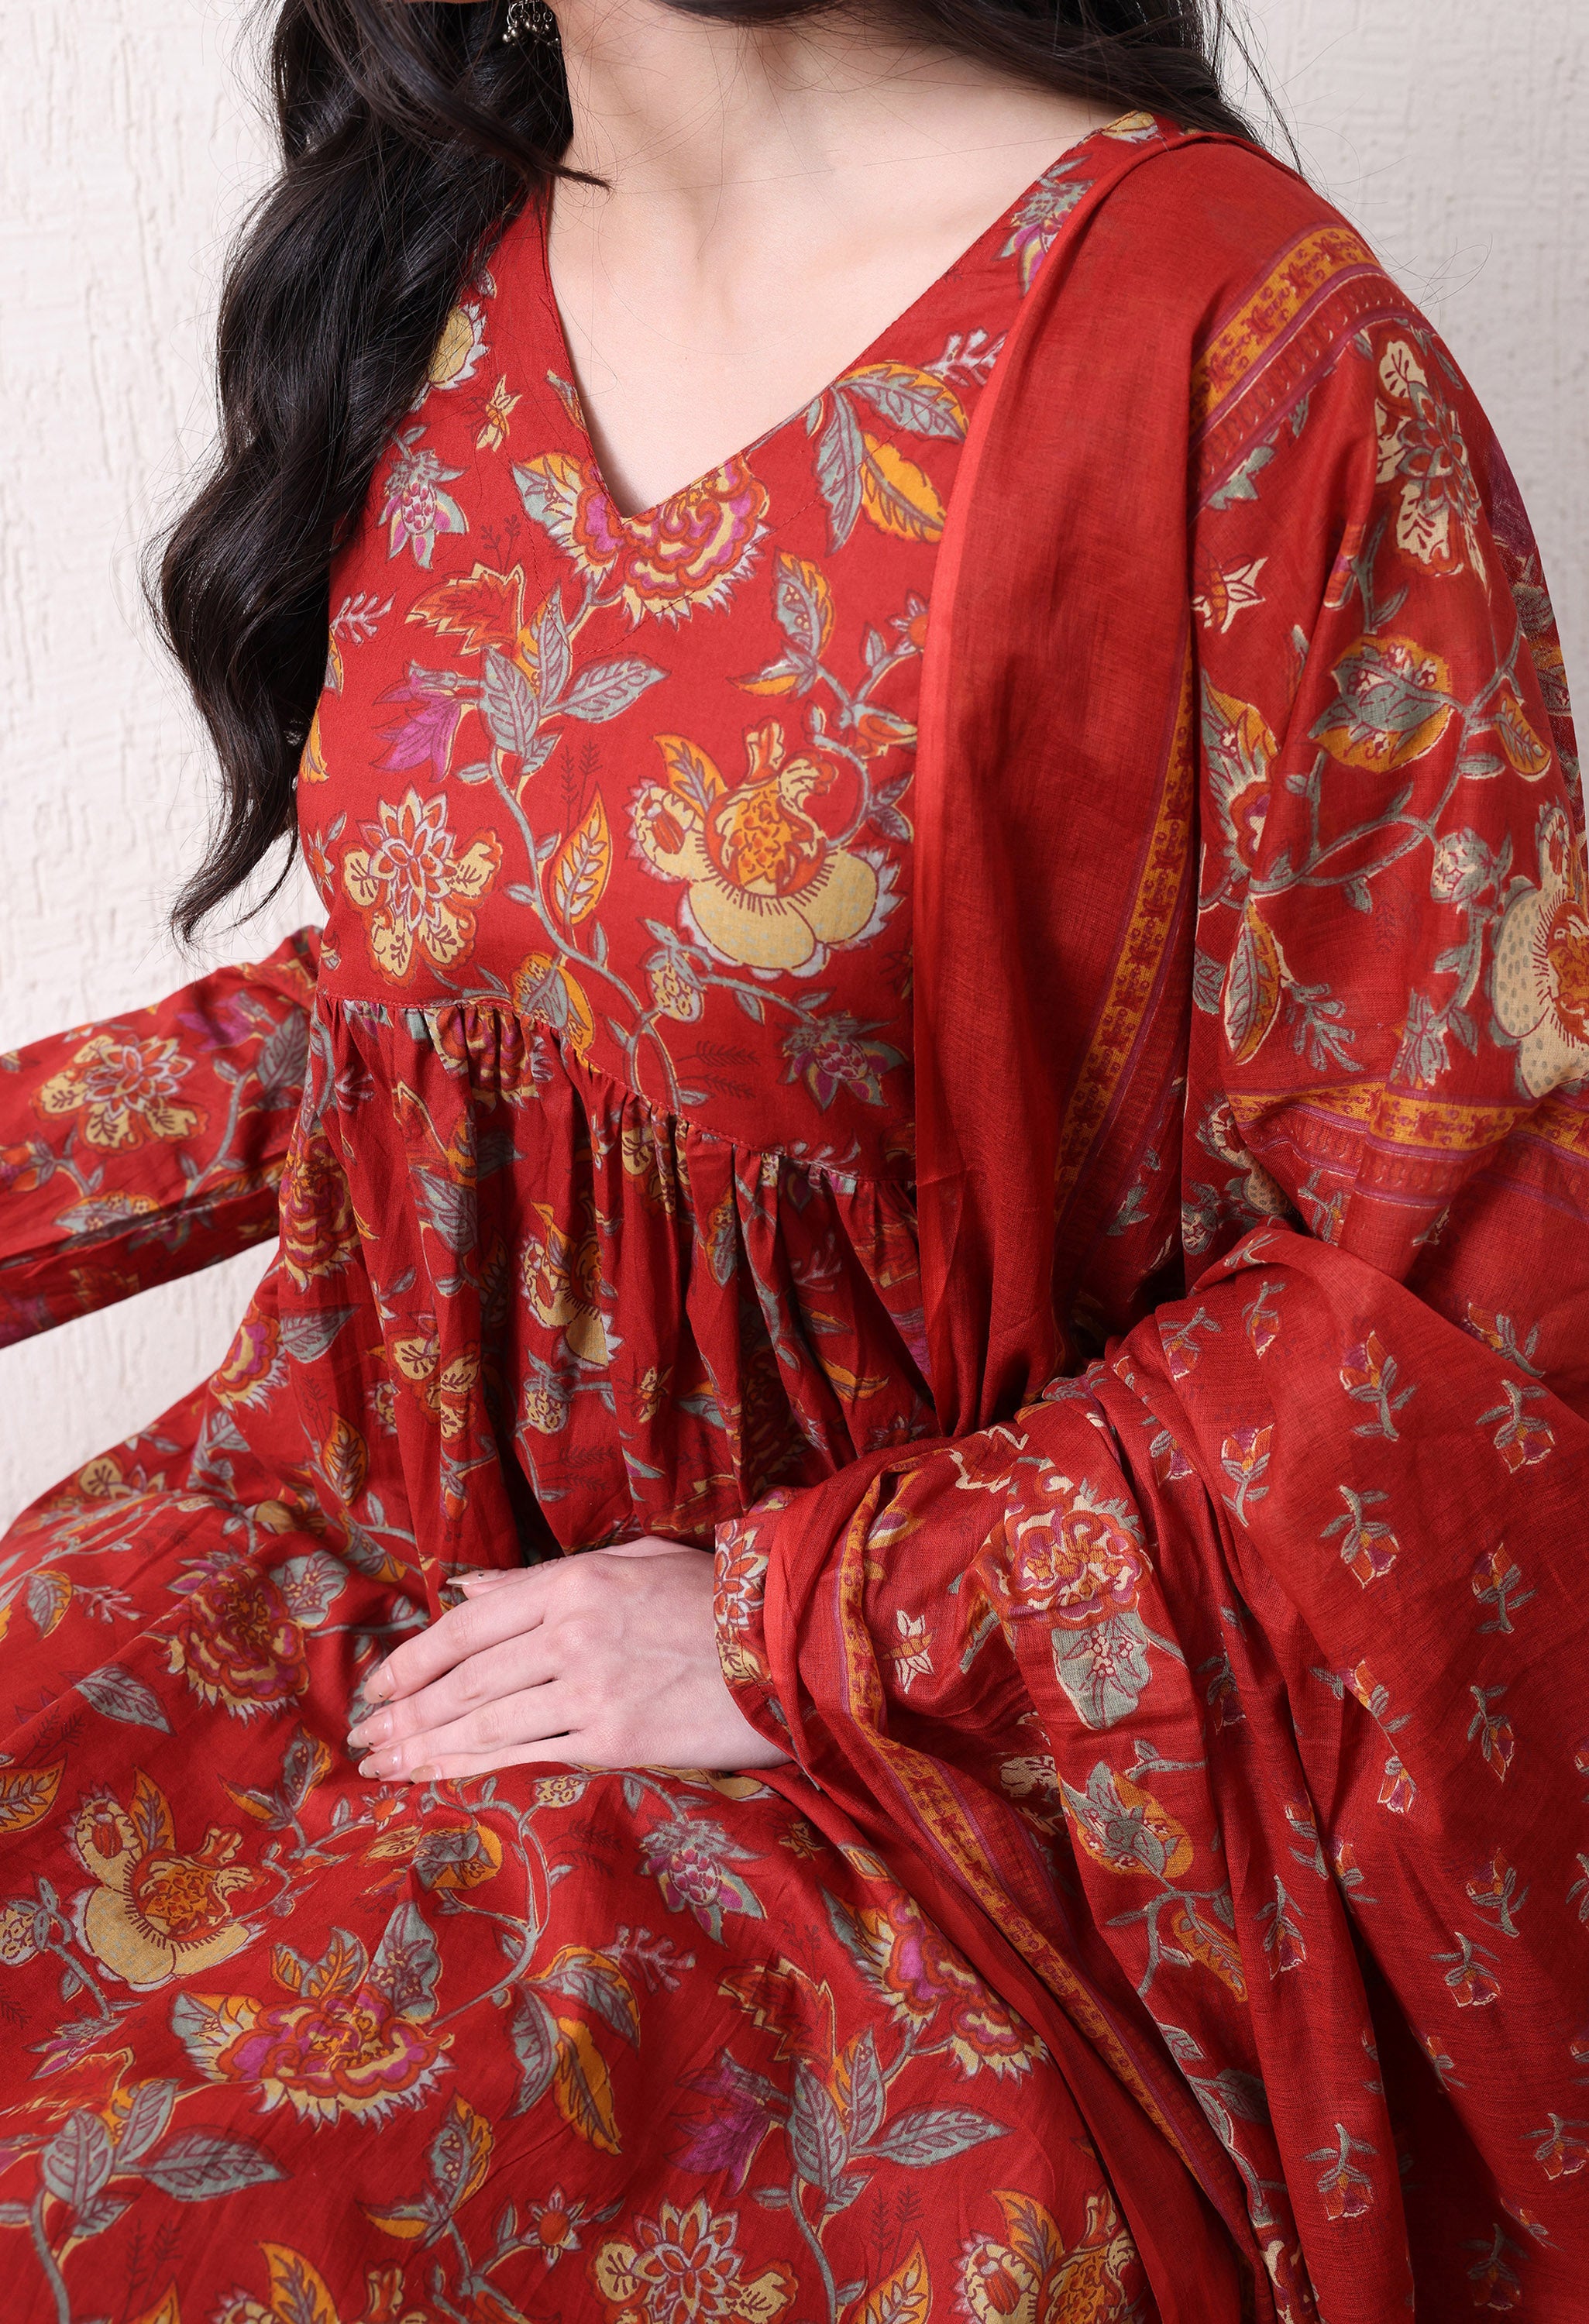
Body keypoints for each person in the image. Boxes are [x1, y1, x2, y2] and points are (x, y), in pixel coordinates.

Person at [1, 0, 1585, 2315]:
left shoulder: (1233, 346)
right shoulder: (436, 256)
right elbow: (437, 1004)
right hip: (356, 1532)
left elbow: (1449, 1289)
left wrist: (791, 1626)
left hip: (912, 1745)